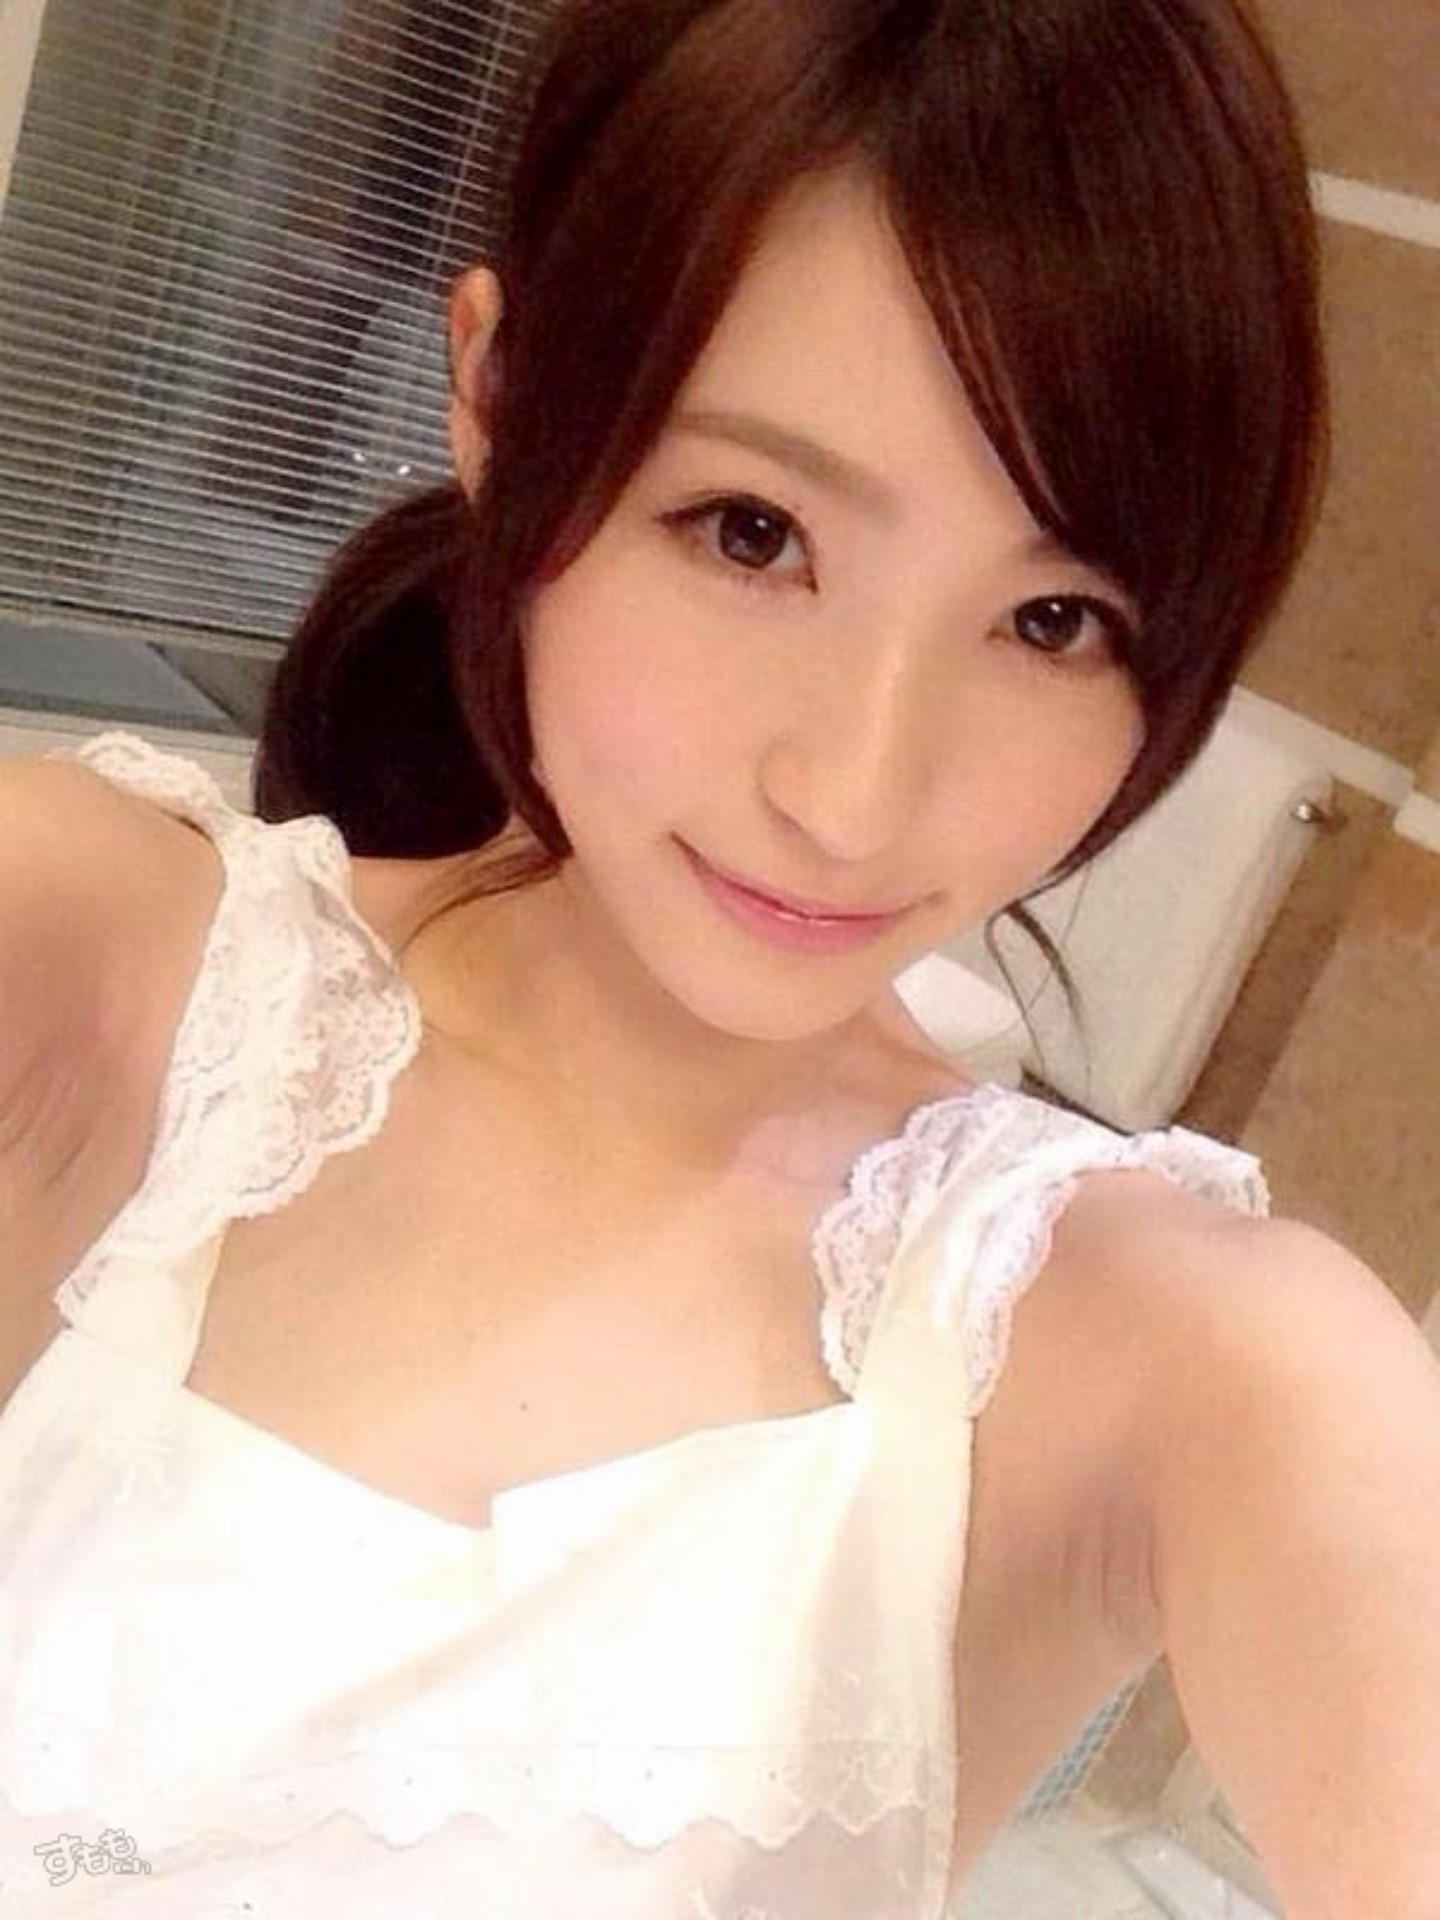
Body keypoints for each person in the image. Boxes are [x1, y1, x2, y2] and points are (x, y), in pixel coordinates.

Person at [2, 1, 1437, 1914]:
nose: (852, 797)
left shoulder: (1177, 1354)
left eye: (1054, 621)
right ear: (498, 399)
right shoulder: (91, 970)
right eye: (752, 532)